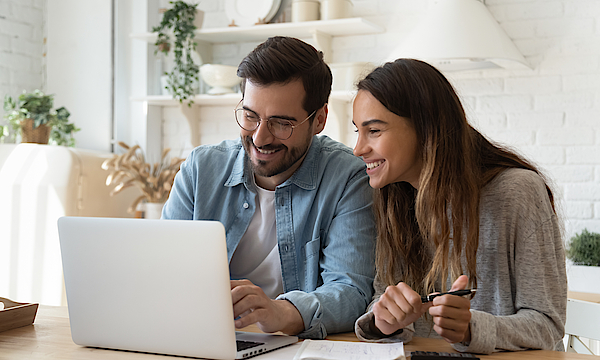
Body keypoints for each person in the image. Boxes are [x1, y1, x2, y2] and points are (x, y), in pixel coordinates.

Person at [162, 36, 376, 339]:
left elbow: (351, 292)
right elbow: (162, 271)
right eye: (250, 116)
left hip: (293, 346)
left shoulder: (347, 179)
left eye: (281, 123)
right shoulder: (200, 169)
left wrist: (281, 312)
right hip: (202, 338)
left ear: (319, 119)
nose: (260, 138)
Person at [351, 59, 567, 354]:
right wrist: (384, 321)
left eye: (373, 131)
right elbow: (383, 299)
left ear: (425, 128)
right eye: (357, 132)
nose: (358, 149)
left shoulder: (518, 192)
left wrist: (471, 329)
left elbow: (547, 325)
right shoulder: (395, 199)